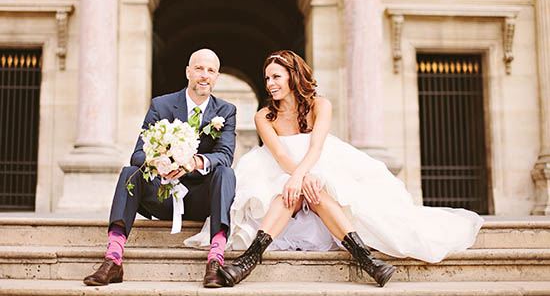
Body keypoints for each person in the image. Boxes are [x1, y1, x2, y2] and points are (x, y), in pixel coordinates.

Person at [185, 50, 483, 288]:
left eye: (276, 76)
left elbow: (316, 147)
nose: (270, 84)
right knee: (285, 193)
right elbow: (277, 154)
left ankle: (366, 260)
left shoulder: (320, 105)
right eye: (266, 79)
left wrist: (303, 176)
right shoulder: (265, 115)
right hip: (278, 169)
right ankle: (248, 261)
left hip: (318, 164)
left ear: (293, 76)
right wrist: (297, 178)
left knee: (318, 193)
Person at [83, 48, 237, 288]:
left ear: (216, 77)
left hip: (201, 200)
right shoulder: (161, 105)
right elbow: (137, 154)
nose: (204, 75)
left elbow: (225, 155)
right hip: (163, 195)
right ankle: (113, 259)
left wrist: (193, 163)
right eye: (199, 68)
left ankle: (215, 260)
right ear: (188, 72)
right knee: (129, 172)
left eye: (211, 71)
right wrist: (158, 162)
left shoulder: (226, 111)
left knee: (225, 173)